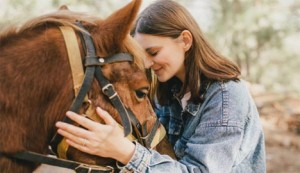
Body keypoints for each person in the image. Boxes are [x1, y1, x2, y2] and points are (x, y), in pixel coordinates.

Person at [55, 0, 266, 172]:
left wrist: (126, 151)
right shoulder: (167, 91)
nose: (146, 63)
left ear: (185, 40)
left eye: (153, 52)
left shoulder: (226, 96)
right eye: (142, 54)